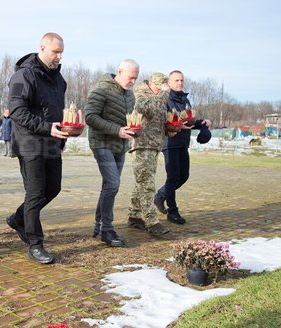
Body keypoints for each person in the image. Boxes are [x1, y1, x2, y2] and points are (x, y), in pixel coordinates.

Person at [5, 32, 69, 264]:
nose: (59, 56)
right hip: (30, 143)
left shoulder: (59, 80)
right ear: (42, 48)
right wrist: (46, 128)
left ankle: (18, 219)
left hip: (52, 142)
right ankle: (35, 244)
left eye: (61, 52)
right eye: (55, 51)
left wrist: (63, 135)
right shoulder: (24, 75)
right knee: (35, 193)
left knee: (53, 188)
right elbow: (17, 111)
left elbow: (57, 113)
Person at [84, 59, 138, 247]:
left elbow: (130, 120)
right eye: (130, 77)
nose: (132, 81)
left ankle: (99, 225)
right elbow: (90, 116)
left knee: (109, 185)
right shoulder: (101, 88)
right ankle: (107, 230)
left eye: (135, 79)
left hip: (120, 146)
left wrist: (134, 130)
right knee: (113, 184)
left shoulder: (130, 96)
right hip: (102, 143)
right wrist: (117, 130)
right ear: (120, 71)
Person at [155, 70, 212, 224]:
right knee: (173, 177)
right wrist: (177, 125)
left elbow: (188, 122)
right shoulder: (165, 99)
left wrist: (202, 123)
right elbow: (164, 122)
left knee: (183, 176)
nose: (180, 83)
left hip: (182, 143)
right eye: (176, 80)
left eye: (181, 80)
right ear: (169, 82)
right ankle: (172, 212)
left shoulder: (185, 100)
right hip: (170, 142)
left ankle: (160, 195)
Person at [127, 72, 172, 236]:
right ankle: (152, 221)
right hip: (141, 144)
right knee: (147, 183)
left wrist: (169, 129)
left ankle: (134, 216)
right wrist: (164, 94)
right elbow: (148, 110)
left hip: (154, 145)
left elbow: (157, 120)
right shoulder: (140, 94)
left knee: (142, 181)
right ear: (153, 85)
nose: (162, 91)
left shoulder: (157, 97)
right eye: (160, 88)